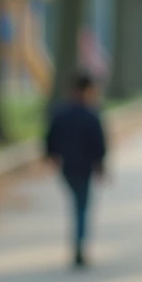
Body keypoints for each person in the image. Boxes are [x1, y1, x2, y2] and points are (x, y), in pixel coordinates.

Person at [45, 72, 109, 269]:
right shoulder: (91, 113)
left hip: (67, 166)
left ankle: (78, 243)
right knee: (81, 206)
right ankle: (79, 244)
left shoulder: (60, 112)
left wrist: (52, 156)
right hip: (84, 167)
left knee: (77, 203)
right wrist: (100, 165)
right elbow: (99, 143)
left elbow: (50, 138)